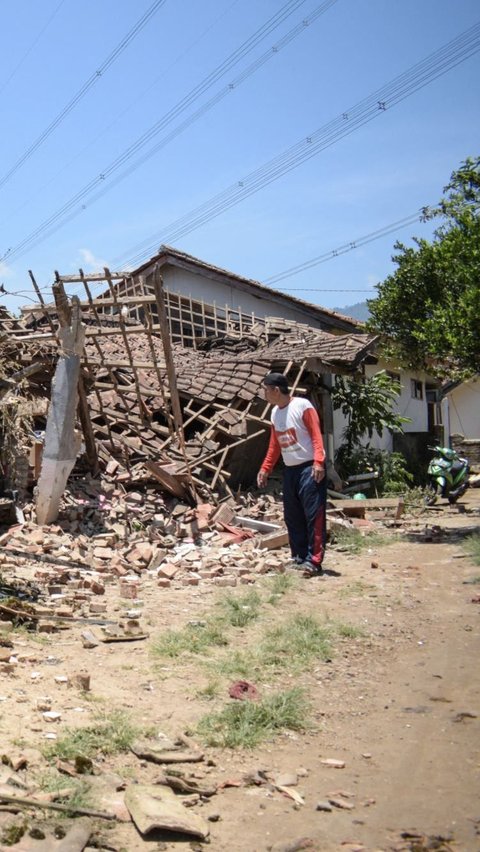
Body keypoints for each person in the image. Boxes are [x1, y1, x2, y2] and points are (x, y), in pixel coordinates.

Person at [257, 372, 327, 576]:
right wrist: (265, 468)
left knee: (313, 516)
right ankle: (298, 556)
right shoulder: (274, 413)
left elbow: (316, 435)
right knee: (293, 516)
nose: (264, 394)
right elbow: (274, 444)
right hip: (291, 470)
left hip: (309, 468)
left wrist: (319, 462)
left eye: (265, 389)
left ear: (276, 390)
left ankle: (314, 561)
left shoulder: (303, 406)